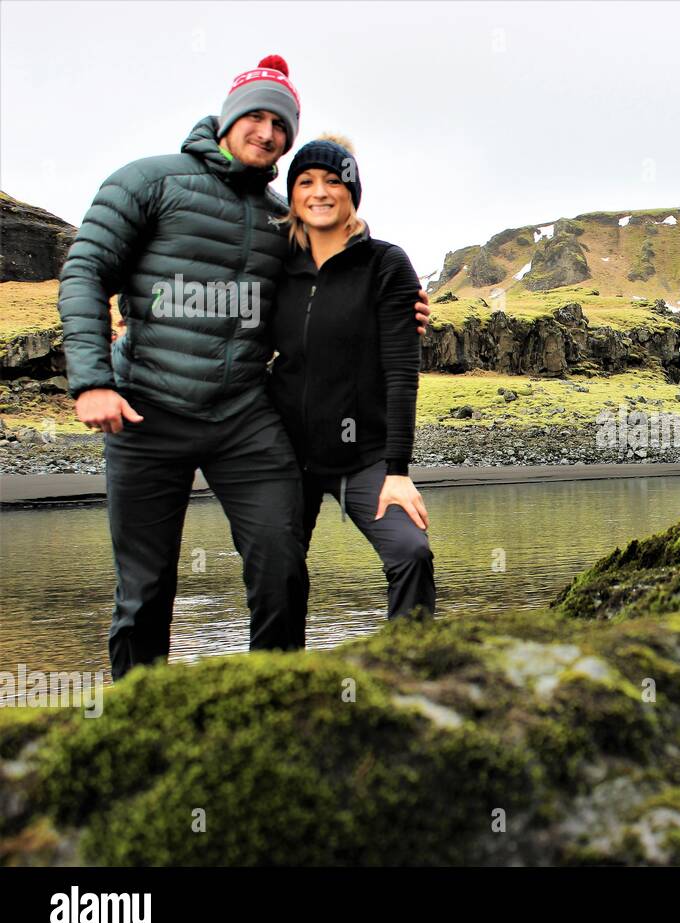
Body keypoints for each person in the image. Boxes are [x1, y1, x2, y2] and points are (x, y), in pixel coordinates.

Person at [58, 56, 429, 680]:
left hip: (243, 422)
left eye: (280, 124)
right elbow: (85, 271)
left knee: (280, 563)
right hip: (144, 412)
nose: (268, 133)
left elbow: (341, 268)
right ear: (229, 119)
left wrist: (400, 307)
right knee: (145, 588)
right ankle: (135, 718)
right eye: (255, 117)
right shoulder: (147, 180)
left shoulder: (281, 216)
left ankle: (274, 698)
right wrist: (92, 380)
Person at [268, 135, 436, 619]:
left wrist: (397, 471)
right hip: (286, 454)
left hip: (365, 458)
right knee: (275, 568)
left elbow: (402, 372)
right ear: (293, 196)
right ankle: (281, 679)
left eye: (333, 181)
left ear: (352, 192)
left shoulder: (386, 263)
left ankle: (412, 669)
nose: (319, 192)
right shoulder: (276, 266)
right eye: (305, 182)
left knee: (411, 552)